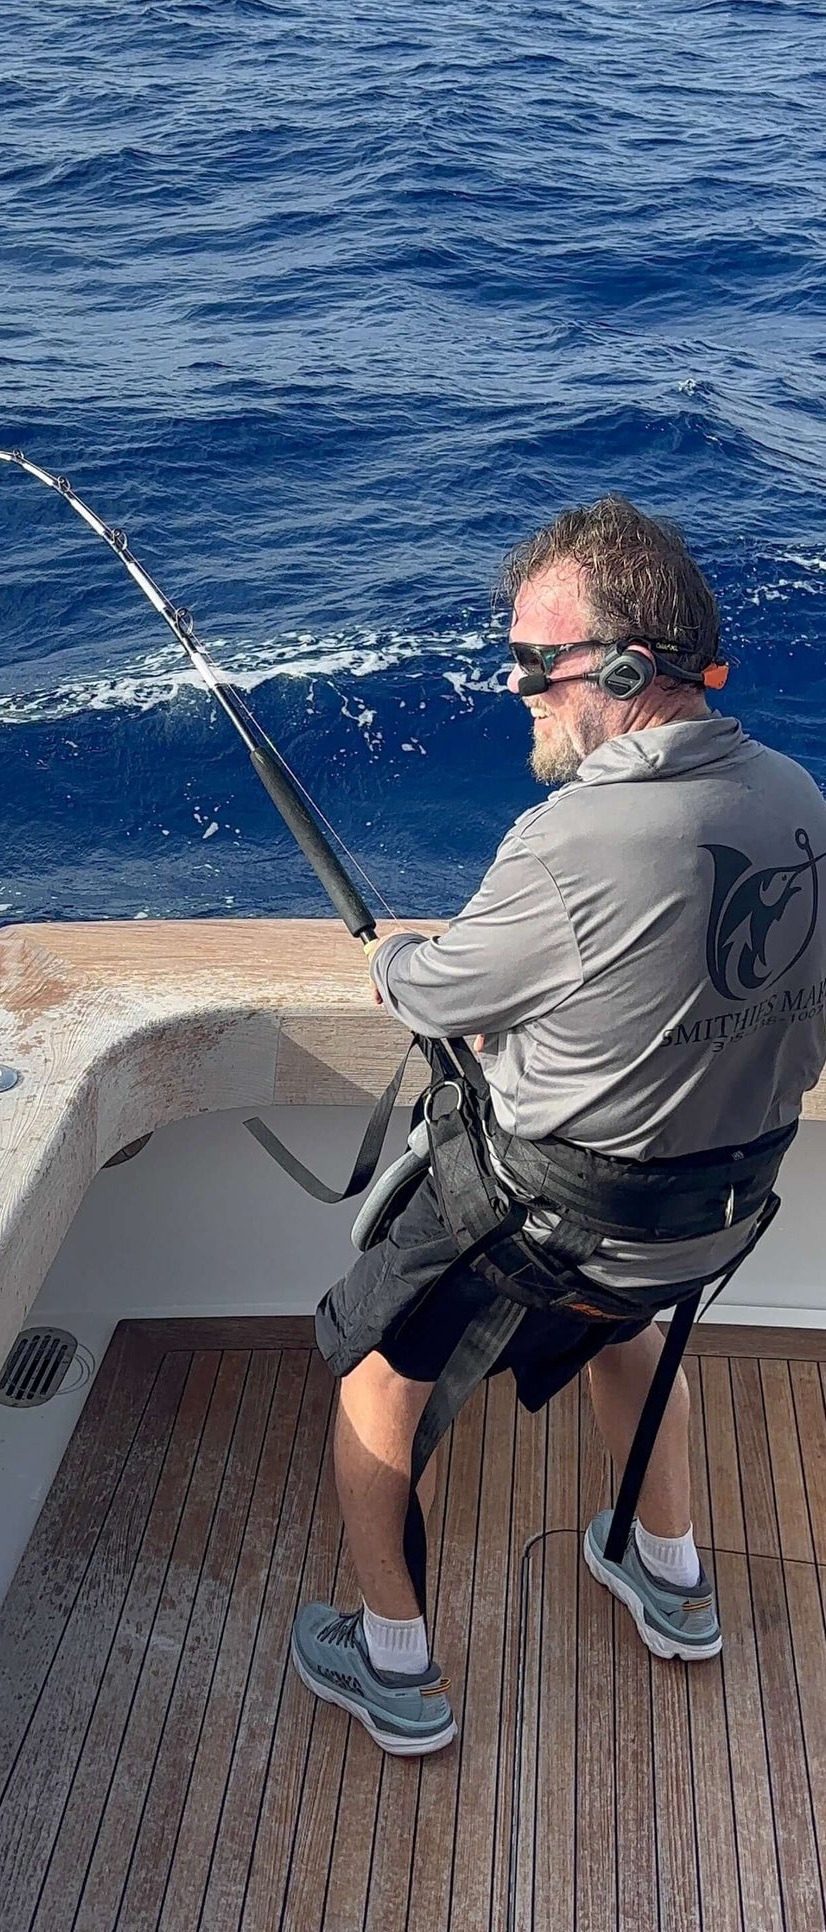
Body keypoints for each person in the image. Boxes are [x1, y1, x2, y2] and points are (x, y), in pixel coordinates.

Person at [291, 497, 826, 1755]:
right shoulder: (799, 798)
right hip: (704, 1228)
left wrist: (389, 960)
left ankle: (395, 1666)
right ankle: (671, 1578)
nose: (515, 682)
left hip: (548, 1223)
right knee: (618, 1327)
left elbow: (436, 992)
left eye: (539, 660)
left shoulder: (571, 838)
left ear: (629, 668)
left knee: (376, 1371)